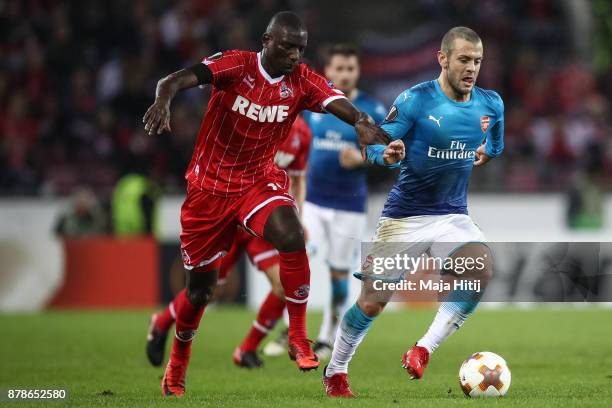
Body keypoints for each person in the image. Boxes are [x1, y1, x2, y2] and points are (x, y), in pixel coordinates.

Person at [142, 11, 389, 397]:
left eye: (300, 49)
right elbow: (173, 80)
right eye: (288, 46)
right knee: (200, 293)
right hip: (209, 189)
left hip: (259, 180)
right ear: (267, 40)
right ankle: (177, 364)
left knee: (292, 236)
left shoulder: (301, 80)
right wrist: (163, 100)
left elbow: (333, 98)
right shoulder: (236, 65)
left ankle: (299, 336)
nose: (294, 55)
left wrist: (359, 120)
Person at [322, 26, 504, 397]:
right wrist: (385, 154)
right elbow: (375, 142)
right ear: (443, 59)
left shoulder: (491, 103)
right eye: (464, 60)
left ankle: (422, 349)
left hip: (453, 216)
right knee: (373, 302)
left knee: (478, 268)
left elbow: (496, 142)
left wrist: (488, 151)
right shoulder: (415, 100)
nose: (472, 68)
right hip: (404, 218)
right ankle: (336, 369)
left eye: (478, 61)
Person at [146, 115, 312, 369]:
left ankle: (247, 348)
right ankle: (161, 323)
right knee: (206, 291)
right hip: (227, 212)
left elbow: (299, 179)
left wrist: (299, 216)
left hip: (263, 213)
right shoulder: (252, 113)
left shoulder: (303, 134)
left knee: (282, 285)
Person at [301, 44, 387, 358]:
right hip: (312, 202)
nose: (345, 74)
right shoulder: (313, 106)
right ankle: (292, 332)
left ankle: (327, 335)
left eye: (351, 68)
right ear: (328, 72)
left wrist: (363, 159)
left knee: (339, 275)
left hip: (349, 206)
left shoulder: (373, 111)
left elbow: (389, 157)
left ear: (358, 71)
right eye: (339, 68)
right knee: (296, 258)